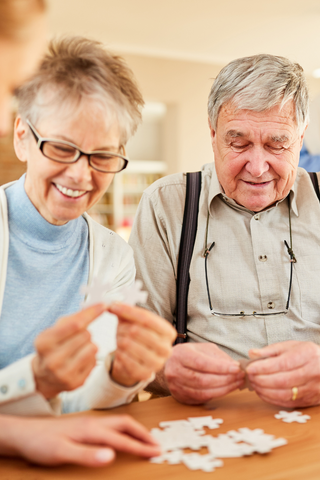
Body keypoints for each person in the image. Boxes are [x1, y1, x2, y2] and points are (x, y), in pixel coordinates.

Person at [0, 0, 162, 467]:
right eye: (63, 148)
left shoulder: (112, 254)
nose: (81, 174)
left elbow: (87, 408)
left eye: (103, 156)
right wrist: (38, 379)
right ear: (22, 137)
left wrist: (121, 373)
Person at [129, 53, 320, 409]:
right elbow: (132, 347)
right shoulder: (166, 205)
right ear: (214, 133)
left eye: (278, 143)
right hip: (200, 430)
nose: (259, 166)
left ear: (301, 136)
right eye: (239, 142)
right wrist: (163, 368)